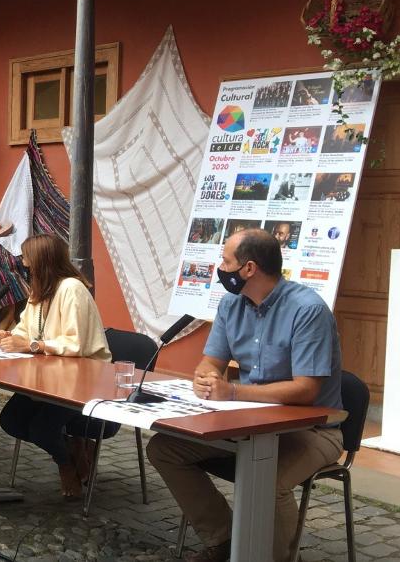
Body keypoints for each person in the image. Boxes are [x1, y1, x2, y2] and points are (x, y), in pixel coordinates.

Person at [147, 229, 343, 562]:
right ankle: (224, 539)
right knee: (164, 449)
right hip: (247, 424)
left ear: (249, 268)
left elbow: (307, 390)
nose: (220, 269)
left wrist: (234, 391)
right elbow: (211, 361)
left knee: (269, 481)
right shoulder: (230, 304)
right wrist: (206, 377)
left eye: (226, 262)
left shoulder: (308, 310)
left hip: (311, 429)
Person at [0, 234, 111, 498]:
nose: (23, 264)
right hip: (46, 376)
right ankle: (72, 447)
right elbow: (26, 330)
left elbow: (75, 344)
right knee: (10, 420)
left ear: (42, 261)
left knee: (41, 429)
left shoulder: (72, 289)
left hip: (82, 380)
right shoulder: (39, 289)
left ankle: (65, 463)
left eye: (27, 258)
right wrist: (8, 336)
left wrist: (32, 346)